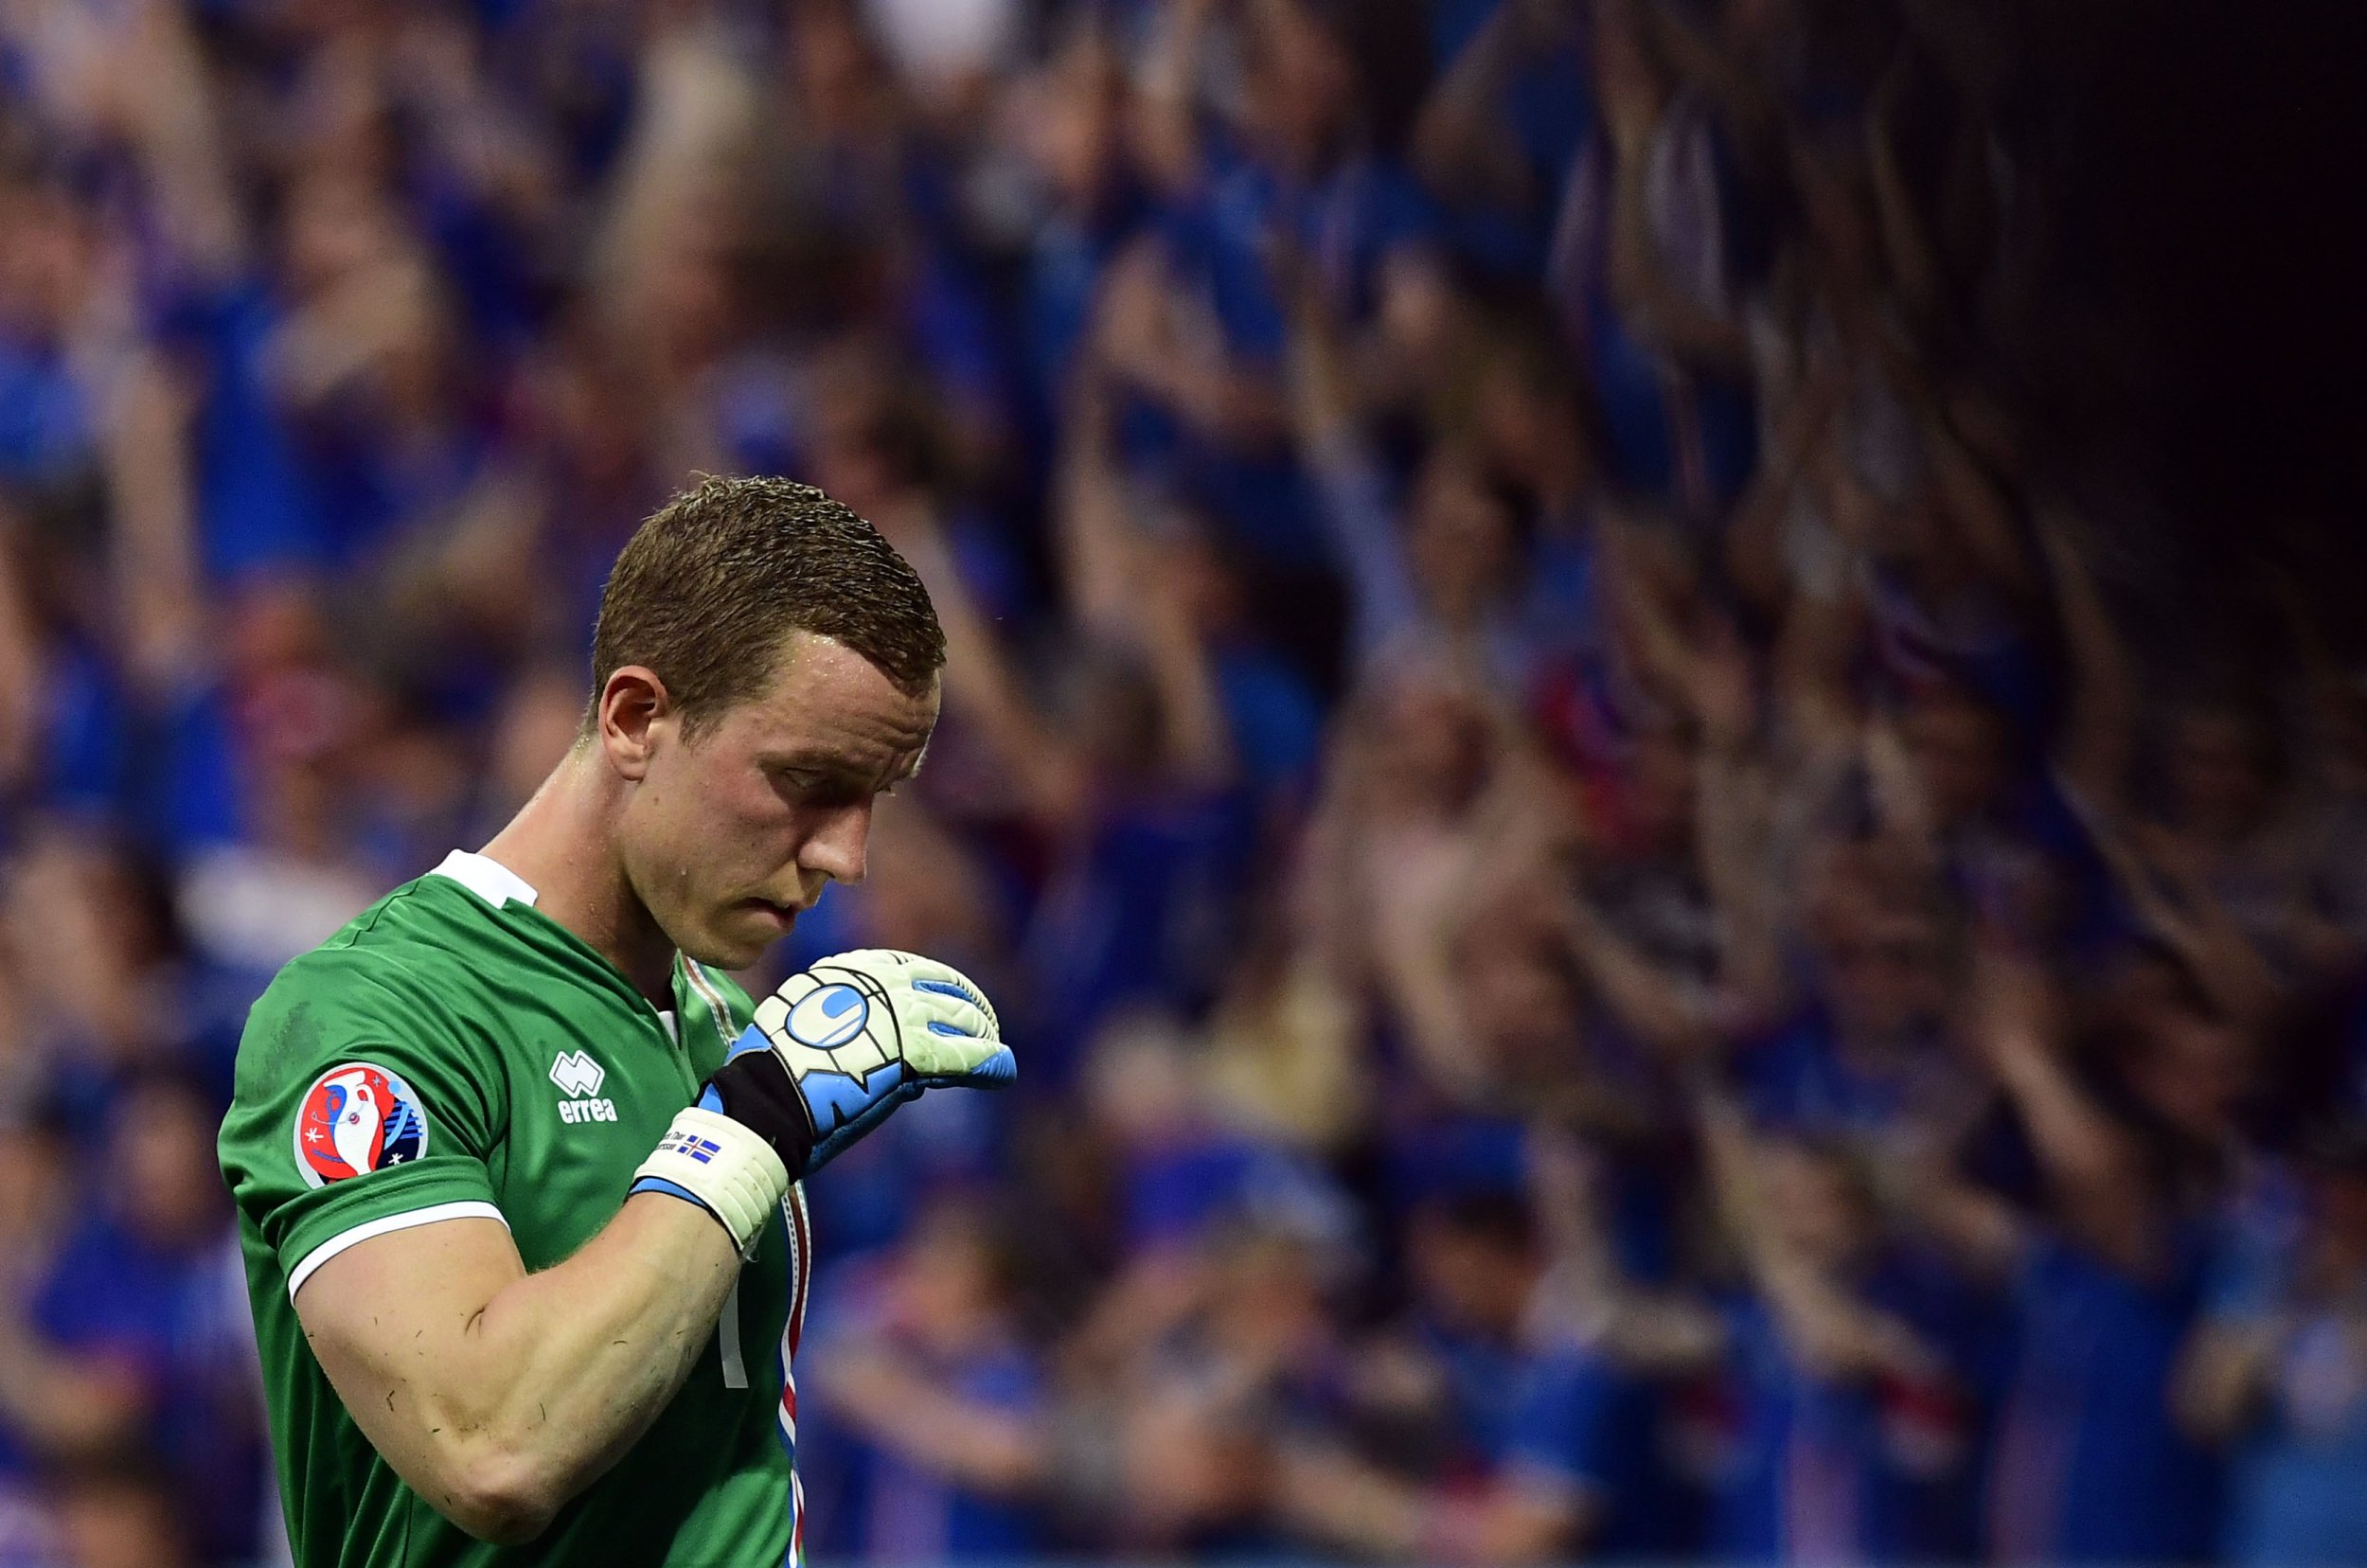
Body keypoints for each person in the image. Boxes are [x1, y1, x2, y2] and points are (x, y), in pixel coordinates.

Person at [216, 475, 1018, 1566]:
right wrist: (749, 1127)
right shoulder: (372, 1013)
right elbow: (488, 1448)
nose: (847, 856)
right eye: (807, 782)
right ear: (638, 717)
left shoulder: (726, 1030)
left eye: (878, 794)